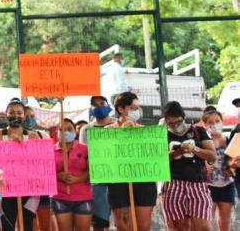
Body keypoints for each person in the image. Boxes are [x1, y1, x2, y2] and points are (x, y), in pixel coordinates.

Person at [105, 92, 156, 231]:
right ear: (121, 109)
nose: (137, 111)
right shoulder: (107, 132)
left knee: (143, 226)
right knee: (124, 225)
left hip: (144, 181)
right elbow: (106, 157)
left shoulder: (145, 132)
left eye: (138, 108)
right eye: (133, 108)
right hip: (118, 183)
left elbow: (152, 157)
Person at [163, 101, 216, 231]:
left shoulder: (198, 130)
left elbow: (212, 156)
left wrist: (195, 149)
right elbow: (159, 160)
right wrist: (178, 152)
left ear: (184, 117)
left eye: (178, 122)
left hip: (198, 183)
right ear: (166, 121)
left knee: (204, 227)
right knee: (178, 226)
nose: (175, 126)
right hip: (173, 184)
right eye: (171, 123)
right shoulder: (163, 134)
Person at [0, 100, 40, 231]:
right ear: (6, 114)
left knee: (27, 222)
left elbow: (40, 161)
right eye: (11, 112)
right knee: (8, 223)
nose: (15, 115)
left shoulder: (33, 135)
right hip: (5, 188)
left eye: (19, 113)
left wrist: (24, 146)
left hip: (29, 189)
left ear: (24, 115)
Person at [78, 96, 114, 231]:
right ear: (91, 109)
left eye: (102, 103)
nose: (99, 107)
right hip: (97, 180)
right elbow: (84, 154)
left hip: (118, 176)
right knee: (100, 220)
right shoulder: (86, 130)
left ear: (108, 105)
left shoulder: (118, 126)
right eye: (95, 105)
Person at [52, 119, 92, 231]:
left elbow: (92, 171)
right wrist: (58, 176)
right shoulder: (50, 151)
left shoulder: (84, 149)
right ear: (57, 132)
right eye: (62, 129)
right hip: (60, 197)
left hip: (83, 197)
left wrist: (77, 179)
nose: (65, 132)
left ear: (75, 131)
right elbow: (46, 173)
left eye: (69, 129)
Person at [202, 109, 233, 231]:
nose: (214, 125)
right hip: (209, 187)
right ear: (205, 125)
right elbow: (199, 162)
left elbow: (233, 163)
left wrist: (230, 168)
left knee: (225, 219)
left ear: (222, 122)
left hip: (227, 185)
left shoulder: (229, 140)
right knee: (208, 220)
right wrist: (204, 168)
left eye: (217, 121)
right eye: (210, 122)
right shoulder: (204, 143)